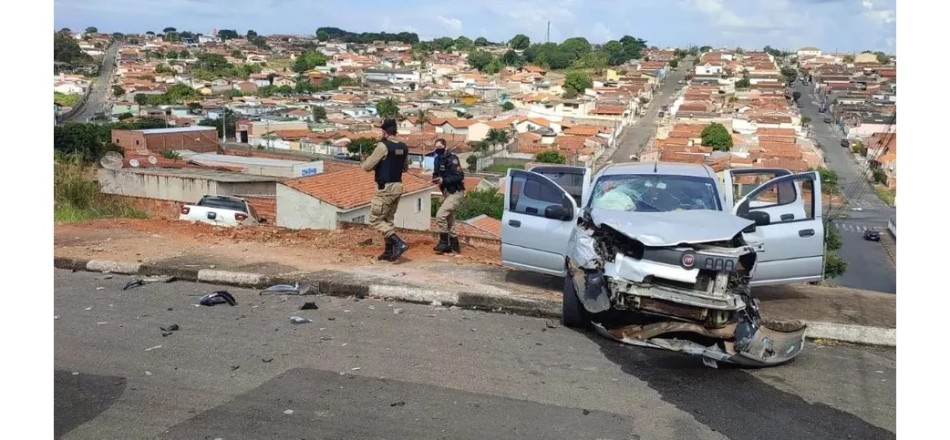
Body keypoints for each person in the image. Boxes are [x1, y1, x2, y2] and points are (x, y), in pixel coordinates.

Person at [361, 118, 410, 261]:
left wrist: (367, 158)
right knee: (387, 220)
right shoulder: (403, 147)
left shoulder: (383, 146)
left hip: (385, 187)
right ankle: (389, 251)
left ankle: (398, 243)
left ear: (384, 132)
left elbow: (367, 167)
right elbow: (405, 168)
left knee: (375, 220)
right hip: (398, 186)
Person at [431, 138, 465, 254]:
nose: (437, 150)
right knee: (450, 220)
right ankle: (455, 247)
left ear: (445, 147)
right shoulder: (437, 159)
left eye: (440, 147)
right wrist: (435, 179)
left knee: (440, 215)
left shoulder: (452, 159)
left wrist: (443, 180)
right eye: (436, 148)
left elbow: (460, 176)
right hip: (446, 193)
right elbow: (436, 173)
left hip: (456, 192)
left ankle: (444, 243)